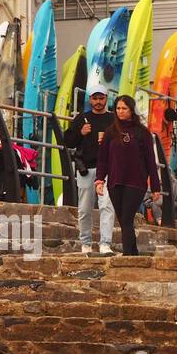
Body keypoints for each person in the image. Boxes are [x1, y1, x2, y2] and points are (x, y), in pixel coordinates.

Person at [94, 95, 161, 257]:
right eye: (118, 108)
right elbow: (103, 159)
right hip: (115, 182)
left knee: (126, 218)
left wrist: (156, 186)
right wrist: (99, 180)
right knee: (124, 220)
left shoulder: (142, 132)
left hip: (136, 182)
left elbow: (151, 161)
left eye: (124, 108)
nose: (121, 111)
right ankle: (134, 254)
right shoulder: (111, 132)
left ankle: (127, 256)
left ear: (131, 110)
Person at [64, 87, 117, 254]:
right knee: (84, 209)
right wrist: (81, 132)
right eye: (95, 98)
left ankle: (105, 243)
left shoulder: (113, 119)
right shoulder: (82, 118)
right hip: (86, 168)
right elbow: (68, 141)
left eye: (101, 98)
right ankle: (85, 242)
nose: (98, 102)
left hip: (108, 169)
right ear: (90, 99)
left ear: (106, 98)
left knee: (107, 207)